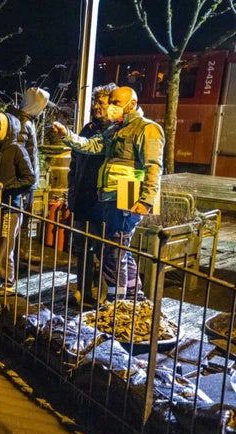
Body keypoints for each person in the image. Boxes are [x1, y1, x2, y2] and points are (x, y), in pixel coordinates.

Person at [52, 86, 164, 303]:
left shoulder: (147, 128)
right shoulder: (117, 129)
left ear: (132, 104)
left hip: (128, 192)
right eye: (109, 101)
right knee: (119, 248)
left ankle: (117, 303)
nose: (110, 107)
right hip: (111, 194)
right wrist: (66, 135)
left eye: (116, 103)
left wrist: (146, 201)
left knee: (114, 250)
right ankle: (132, 296)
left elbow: (154, 167)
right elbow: (91, 145)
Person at [67, 83, 117, 305]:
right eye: (96, 102)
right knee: (82, 249)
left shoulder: (116, 132)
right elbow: (74, 163)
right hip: (82, 200)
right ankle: (83, 290)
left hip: (102, 204)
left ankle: (102, 293)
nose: (97, 107)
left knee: (104, 250)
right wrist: (71, 193)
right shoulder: (87, 129)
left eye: (102, 103)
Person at [0, 112, 36, 294]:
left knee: (5, 244)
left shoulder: (16, 150)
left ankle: (7, 280)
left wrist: (7, 188)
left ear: (7, 129)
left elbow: (29, 178)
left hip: (10, 205)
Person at [10, 87, 50, 261]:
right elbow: (20, 155)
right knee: (20, 219)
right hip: (24, 182)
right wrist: (26, 180)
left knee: (23, 218)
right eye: (42, 105)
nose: (44, 110)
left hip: (27, 181)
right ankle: (18, 254)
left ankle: (20, 252)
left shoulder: (25, 121)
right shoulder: (23, 123)